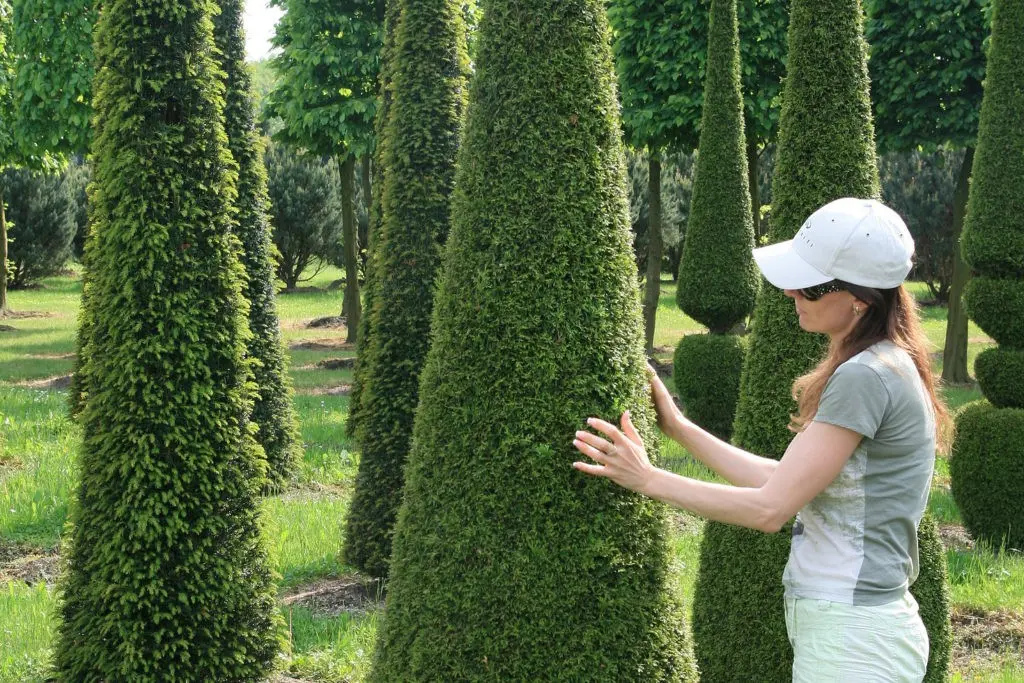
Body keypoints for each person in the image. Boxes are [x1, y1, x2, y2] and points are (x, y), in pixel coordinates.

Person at [572, 197, 952, 682]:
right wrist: (681, 430)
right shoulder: (885, 363)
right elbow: (786, 480)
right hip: (857, 629)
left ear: (860, 298)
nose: (792, 290)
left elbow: (771, 508)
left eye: (811, 286)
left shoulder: (866, 377)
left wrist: (647, 479)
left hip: (854, 638)